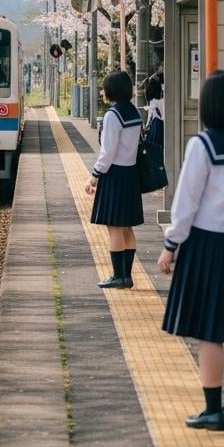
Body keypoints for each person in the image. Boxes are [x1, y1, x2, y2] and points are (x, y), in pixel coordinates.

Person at [157, 69, 224, 431]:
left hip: (207, 245)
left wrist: (171, 244)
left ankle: (212, 410)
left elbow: (186, 203)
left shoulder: (202, 146)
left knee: (210, 331)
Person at [85, 70, 144, 289]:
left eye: (104, 87)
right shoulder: (134, 112)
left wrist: (94, 176)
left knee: (114, 228)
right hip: (131, 174)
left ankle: (118, 276)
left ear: (112, 90)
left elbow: (107, 152)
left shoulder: (113, 115)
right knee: (127, 227)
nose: (102, 91)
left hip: (115, 175)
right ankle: (126, 275)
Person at [144, 67, 164, 147]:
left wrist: (146, 127)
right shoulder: (164, 95)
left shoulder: (154, 101)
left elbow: (151, 116)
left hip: (156, 128)